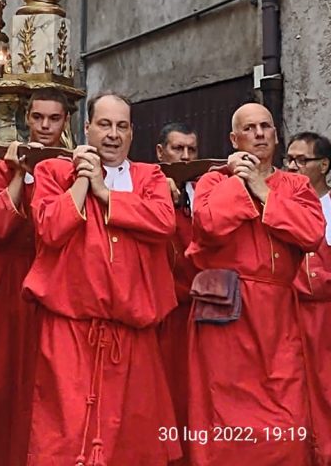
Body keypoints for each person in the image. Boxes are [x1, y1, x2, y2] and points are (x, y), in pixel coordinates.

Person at [24, 92, 180, 466]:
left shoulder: (149, 176)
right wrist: (83, 180)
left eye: (122, 126)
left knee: (131, 436)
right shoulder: (53, 172)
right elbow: (49, 229)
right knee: (63, 432)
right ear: (87, 128)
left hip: (131, 333)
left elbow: (163, 222)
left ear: (132, 134)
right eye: (104, 125)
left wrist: (106, 194)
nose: (113, 135)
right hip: (69, 330)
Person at [186, 103, 325, 466]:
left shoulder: (295, 184)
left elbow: (311, 233)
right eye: (250, 128)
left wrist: (263, 190)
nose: (260, 133)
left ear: (276, 137)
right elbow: (209, 224)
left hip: (278, 317)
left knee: (288, 413)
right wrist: (240, 182)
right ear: (234, 139)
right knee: (223, 414)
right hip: (227, 317)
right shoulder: (213, 181)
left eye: (266, 126)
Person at [0, 87, 70, 466]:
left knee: (40, 379)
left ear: (66, 122)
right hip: (1, 279)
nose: (44, 126)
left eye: (54, 119)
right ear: (27, 119)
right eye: (38, 118)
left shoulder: (73, 167)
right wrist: (20, 174)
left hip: (47, 277)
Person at [285, 130, 331, 466]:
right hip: (289, 318)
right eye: (290, 159)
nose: (294, 166)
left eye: (303, 160)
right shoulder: (282, 205)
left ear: (324, 165)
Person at [155, 121, 199, 460]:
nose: (185, 157)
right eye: (177, 149)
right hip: (163, 316)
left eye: (191, 150)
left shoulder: (207, 192)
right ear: (160, 152)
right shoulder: (146, 187)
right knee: (162, 396)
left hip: (201, 316)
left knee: (196, 397)